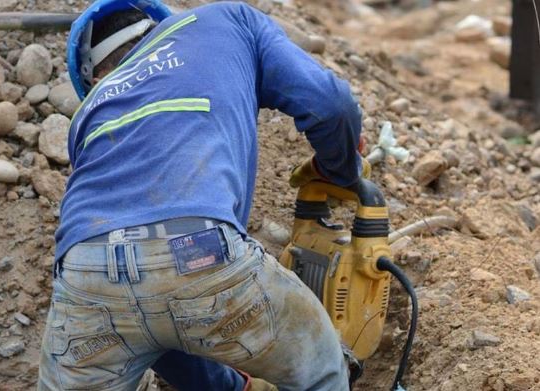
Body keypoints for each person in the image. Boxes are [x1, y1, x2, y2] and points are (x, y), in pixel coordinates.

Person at [38, 0, 364, 390]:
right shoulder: (227, 21)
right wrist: (340, 172)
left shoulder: (88, 114)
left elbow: (152, 318)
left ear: (94, 77)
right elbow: (331, 106)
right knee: (321, 369)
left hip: (83, 274)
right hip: (199, 250)